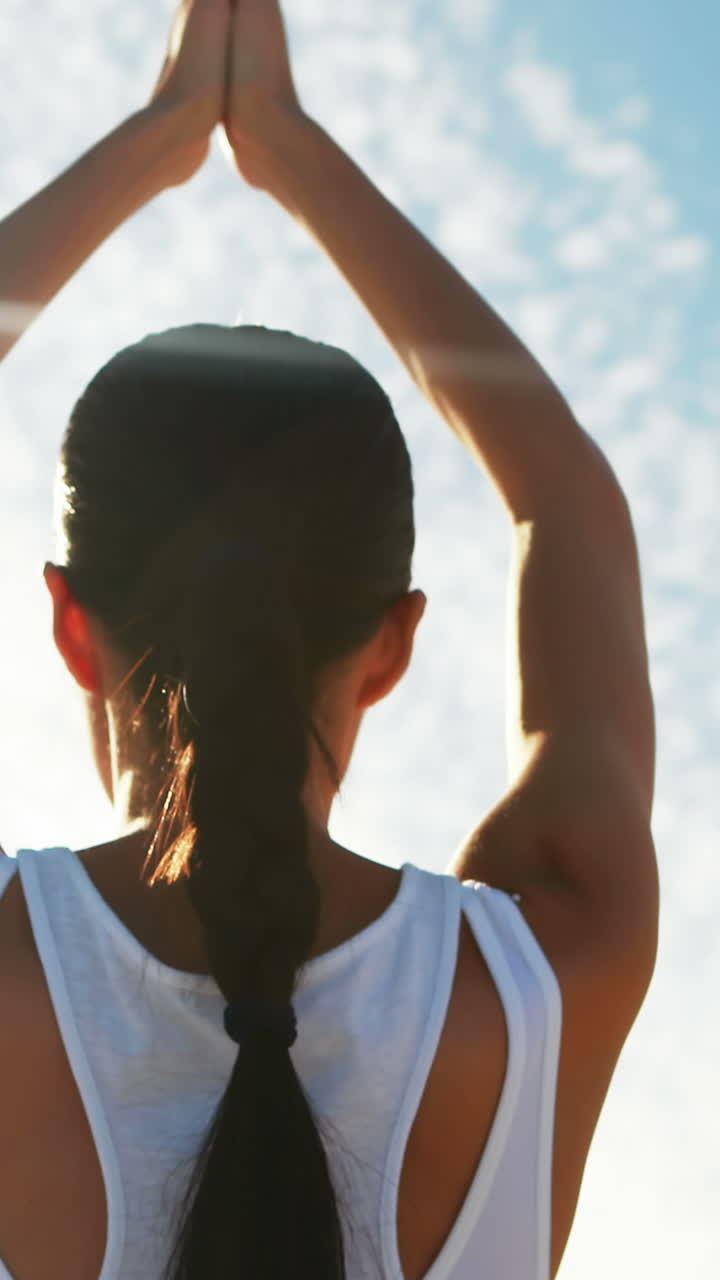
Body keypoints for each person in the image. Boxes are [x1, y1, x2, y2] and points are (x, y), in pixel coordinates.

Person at [0, 2, 660, 1278]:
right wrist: (290, 150)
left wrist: (156, 140)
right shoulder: (542, 978)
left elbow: (564, 495)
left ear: (72, 627)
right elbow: (565, 494)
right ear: (393, 642)